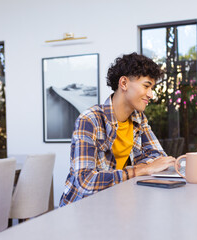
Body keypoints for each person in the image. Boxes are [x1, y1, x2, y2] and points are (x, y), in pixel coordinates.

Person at [59, 52, 176, 207]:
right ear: (124, 83)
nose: (151, 95)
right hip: (81, 208)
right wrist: (141, 170)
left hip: (114, 202)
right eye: (146, 86)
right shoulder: (90, 120)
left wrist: (145, 167)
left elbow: (160, 158)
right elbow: (85, 182)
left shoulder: (139, 119)